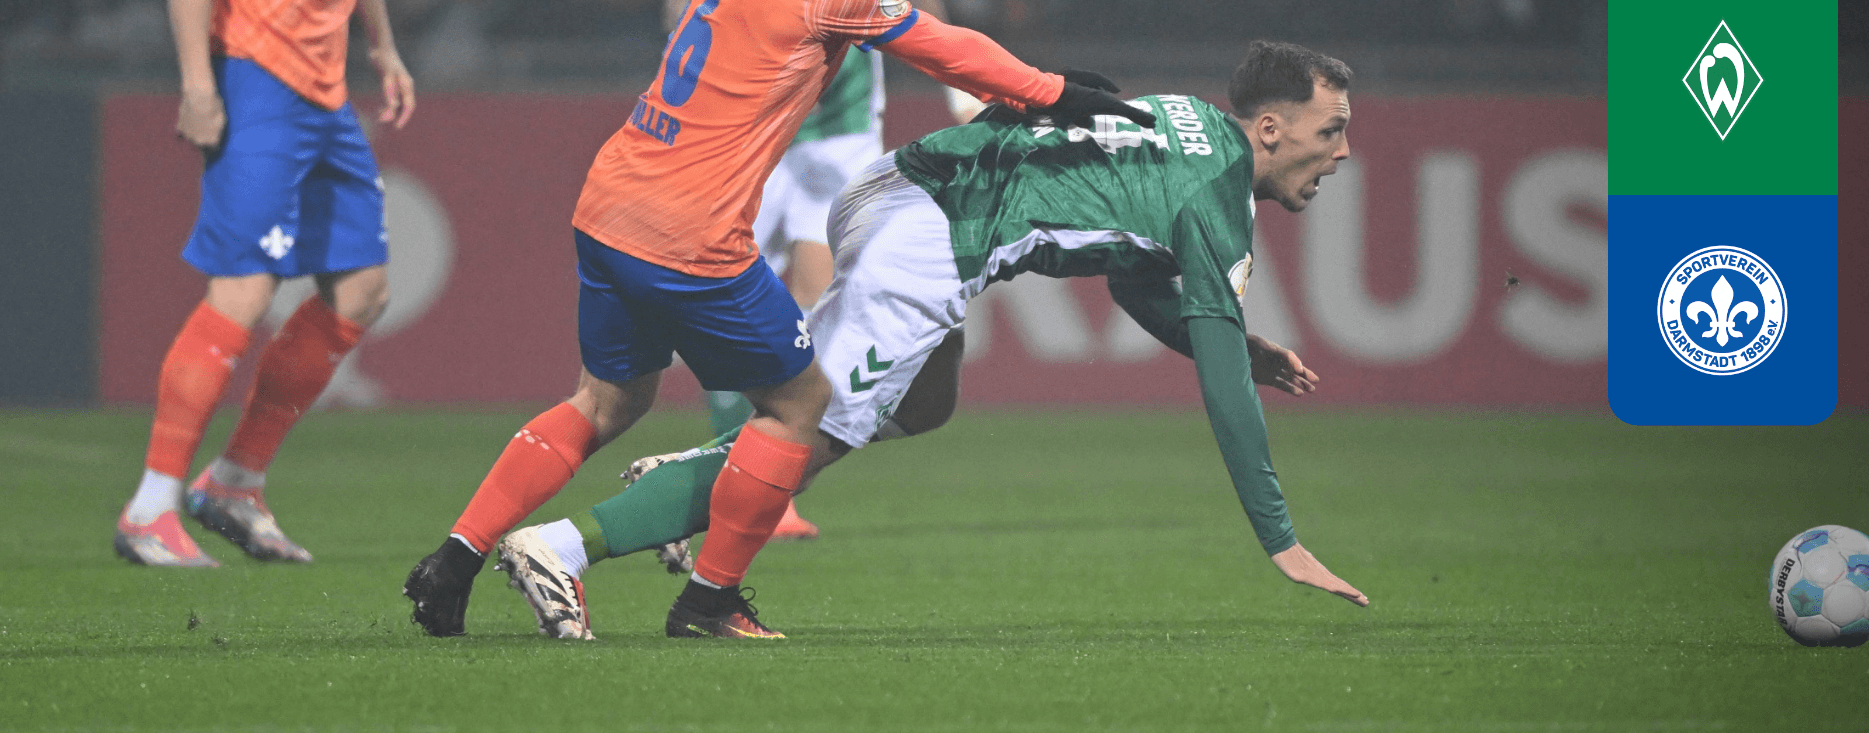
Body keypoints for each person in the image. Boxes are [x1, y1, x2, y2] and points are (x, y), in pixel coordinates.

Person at [403, 0, 1153, 640]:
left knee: (605, 401)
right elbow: (945, 47)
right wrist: (1054, 92)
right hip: (690, 231)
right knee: (800, 402)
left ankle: (452, 563)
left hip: (611, 203)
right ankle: (709, 602)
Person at [497, 41, 1373, 640]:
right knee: (808, 437)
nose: (1341, 152)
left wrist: (1239, 346)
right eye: (1330, 130)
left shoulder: (1190, 120)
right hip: (929, 239)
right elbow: (1224, 394)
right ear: (1270, 128)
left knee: (926, 400)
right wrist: (1280, 539)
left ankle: (708, 472)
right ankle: (563, 548)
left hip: (898, 185)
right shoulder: (1219, 198)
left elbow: (1133, 278)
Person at [113, 0, 435, 568]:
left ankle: (234, 482)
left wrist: (383, 45)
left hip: (324, 90)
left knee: (361, 291)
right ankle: (150, 508)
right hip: (254, 77)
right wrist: (197, 83)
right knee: (245, 293)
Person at [660, 0, 954, 540]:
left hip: (842, 114)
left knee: (821, 304)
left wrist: (955, 83)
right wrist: (691, 87)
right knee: (731, 291)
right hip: (752, 122)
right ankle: (725, 476)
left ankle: (764, 481)